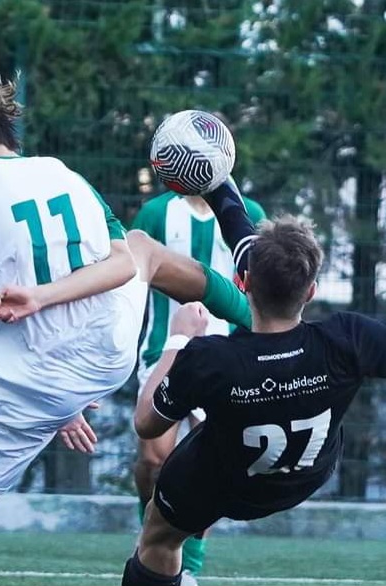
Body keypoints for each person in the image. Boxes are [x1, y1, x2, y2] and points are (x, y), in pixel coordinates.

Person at [0, 81, 254, 586]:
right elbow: (118, 268)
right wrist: (47, 300)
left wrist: (36, 300)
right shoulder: (63, 173)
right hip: (107, 349)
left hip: (35, 374)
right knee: (142, 247)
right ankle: (260, 316)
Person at [116, 177, 386, 586]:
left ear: (242, 284)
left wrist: (178, 337)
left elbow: (147, 423)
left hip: (220, 481)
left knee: (158, 538)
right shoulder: (346, 340)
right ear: (311, 290)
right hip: (303, 476)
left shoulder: (209, 358)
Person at [130, 186, 266, 579]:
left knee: (209, 467)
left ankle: (188, 567)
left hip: (223, 358)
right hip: (163, 348)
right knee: (154, 460)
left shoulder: (249, 213)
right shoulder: (156, 212)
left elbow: (264, 284)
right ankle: (149, 537)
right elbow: (131, 273)